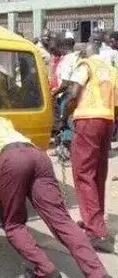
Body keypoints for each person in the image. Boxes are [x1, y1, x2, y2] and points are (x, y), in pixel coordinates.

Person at [0, 105, 110, 278]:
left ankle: (45, 270)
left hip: (11, 159)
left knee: (13, 224)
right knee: (62, 221)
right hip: (37, 155)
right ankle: (98, 274)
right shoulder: (1, 120)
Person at [61, 42, 118, 253]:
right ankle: (94, 220)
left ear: (85, 53)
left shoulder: (85, 65)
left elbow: (74, 92)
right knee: (97, 174)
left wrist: (62, 116)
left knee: (83, 174)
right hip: (107, 121)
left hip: (88, 121)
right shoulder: (111, 70)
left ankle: (97, 232)